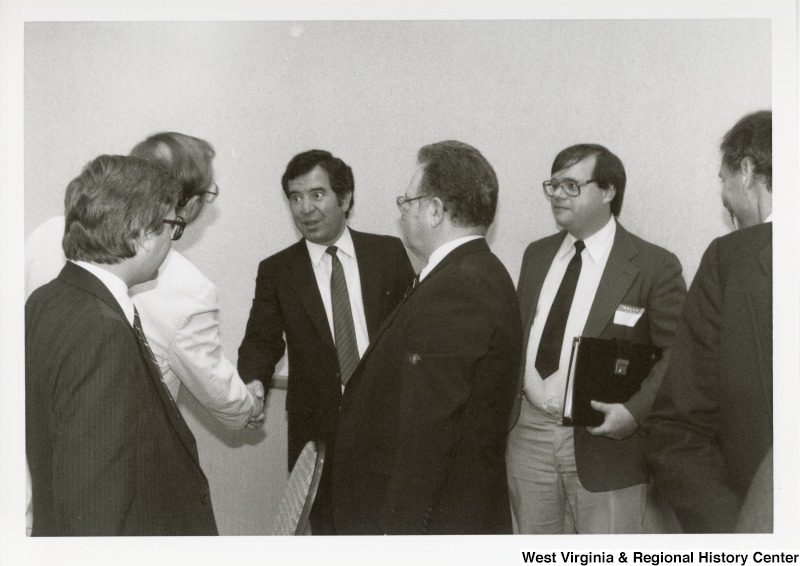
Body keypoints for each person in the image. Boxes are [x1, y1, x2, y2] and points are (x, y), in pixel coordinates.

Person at [332, 140, 522, 535]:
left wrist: (398, 533)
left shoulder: (457, 286)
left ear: (435, 210)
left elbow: (431, 428)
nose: (402, 214)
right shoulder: (474, 271)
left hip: (435, 524)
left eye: (408, 202)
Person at [26, 155, 218, 535]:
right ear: (143, 234)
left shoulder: (48, 297)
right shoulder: (102, 331)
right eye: (173, 227)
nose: (170, 240)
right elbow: (93, 507)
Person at [24, 132, 265, 430]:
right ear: (187, 204)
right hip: (115, 443)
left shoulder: (45, 232)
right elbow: (217, 389)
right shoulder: (187, 287)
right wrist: (248, 406)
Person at [506, 143, 686, 534]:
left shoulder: (654, 265)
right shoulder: (536, 256)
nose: (556, 195)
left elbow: (678, 354)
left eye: (571, 185)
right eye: (552, 185)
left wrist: (635, 413)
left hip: (605, 442)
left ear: (608, 192)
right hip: (528, 435)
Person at [237, 149, 414, 534]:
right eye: (295, 198)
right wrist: (252, 382)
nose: (305, 209)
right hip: (317, 433)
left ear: (345, 198)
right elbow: (261, 340)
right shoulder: (277, 270)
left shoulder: (389, 253)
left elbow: (414, 334)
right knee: (330, 535)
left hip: (388, 424)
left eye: (317, 195)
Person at [647, 110, 772, 533]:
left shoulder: (729, 260)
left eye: (723, 179)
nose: (723, 194)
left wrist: (741, 537)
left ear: (747, 171)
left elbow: (680, 426)